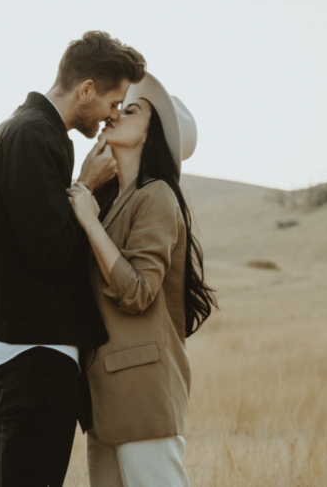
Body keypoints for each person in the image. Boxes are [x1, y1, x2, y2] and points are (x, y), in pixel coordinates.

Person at [0, 31, 146, 487]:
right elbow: (50, 251)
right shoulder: (35, 136)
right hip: (33, 358)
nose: (113, 115)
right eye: (114, 102)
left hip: (17, 355)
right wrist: (88, 184)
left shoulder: (20, 130)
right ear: (86, 90)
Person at [67, 73, 216, 487]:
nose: (114, 115)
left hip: (142, 392)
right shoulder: (113, 200)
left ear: (153, 135)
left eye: (130, 110)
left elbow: (138, 292)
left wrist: (88, 221)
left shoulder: (157, 195)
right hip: (104, 396)